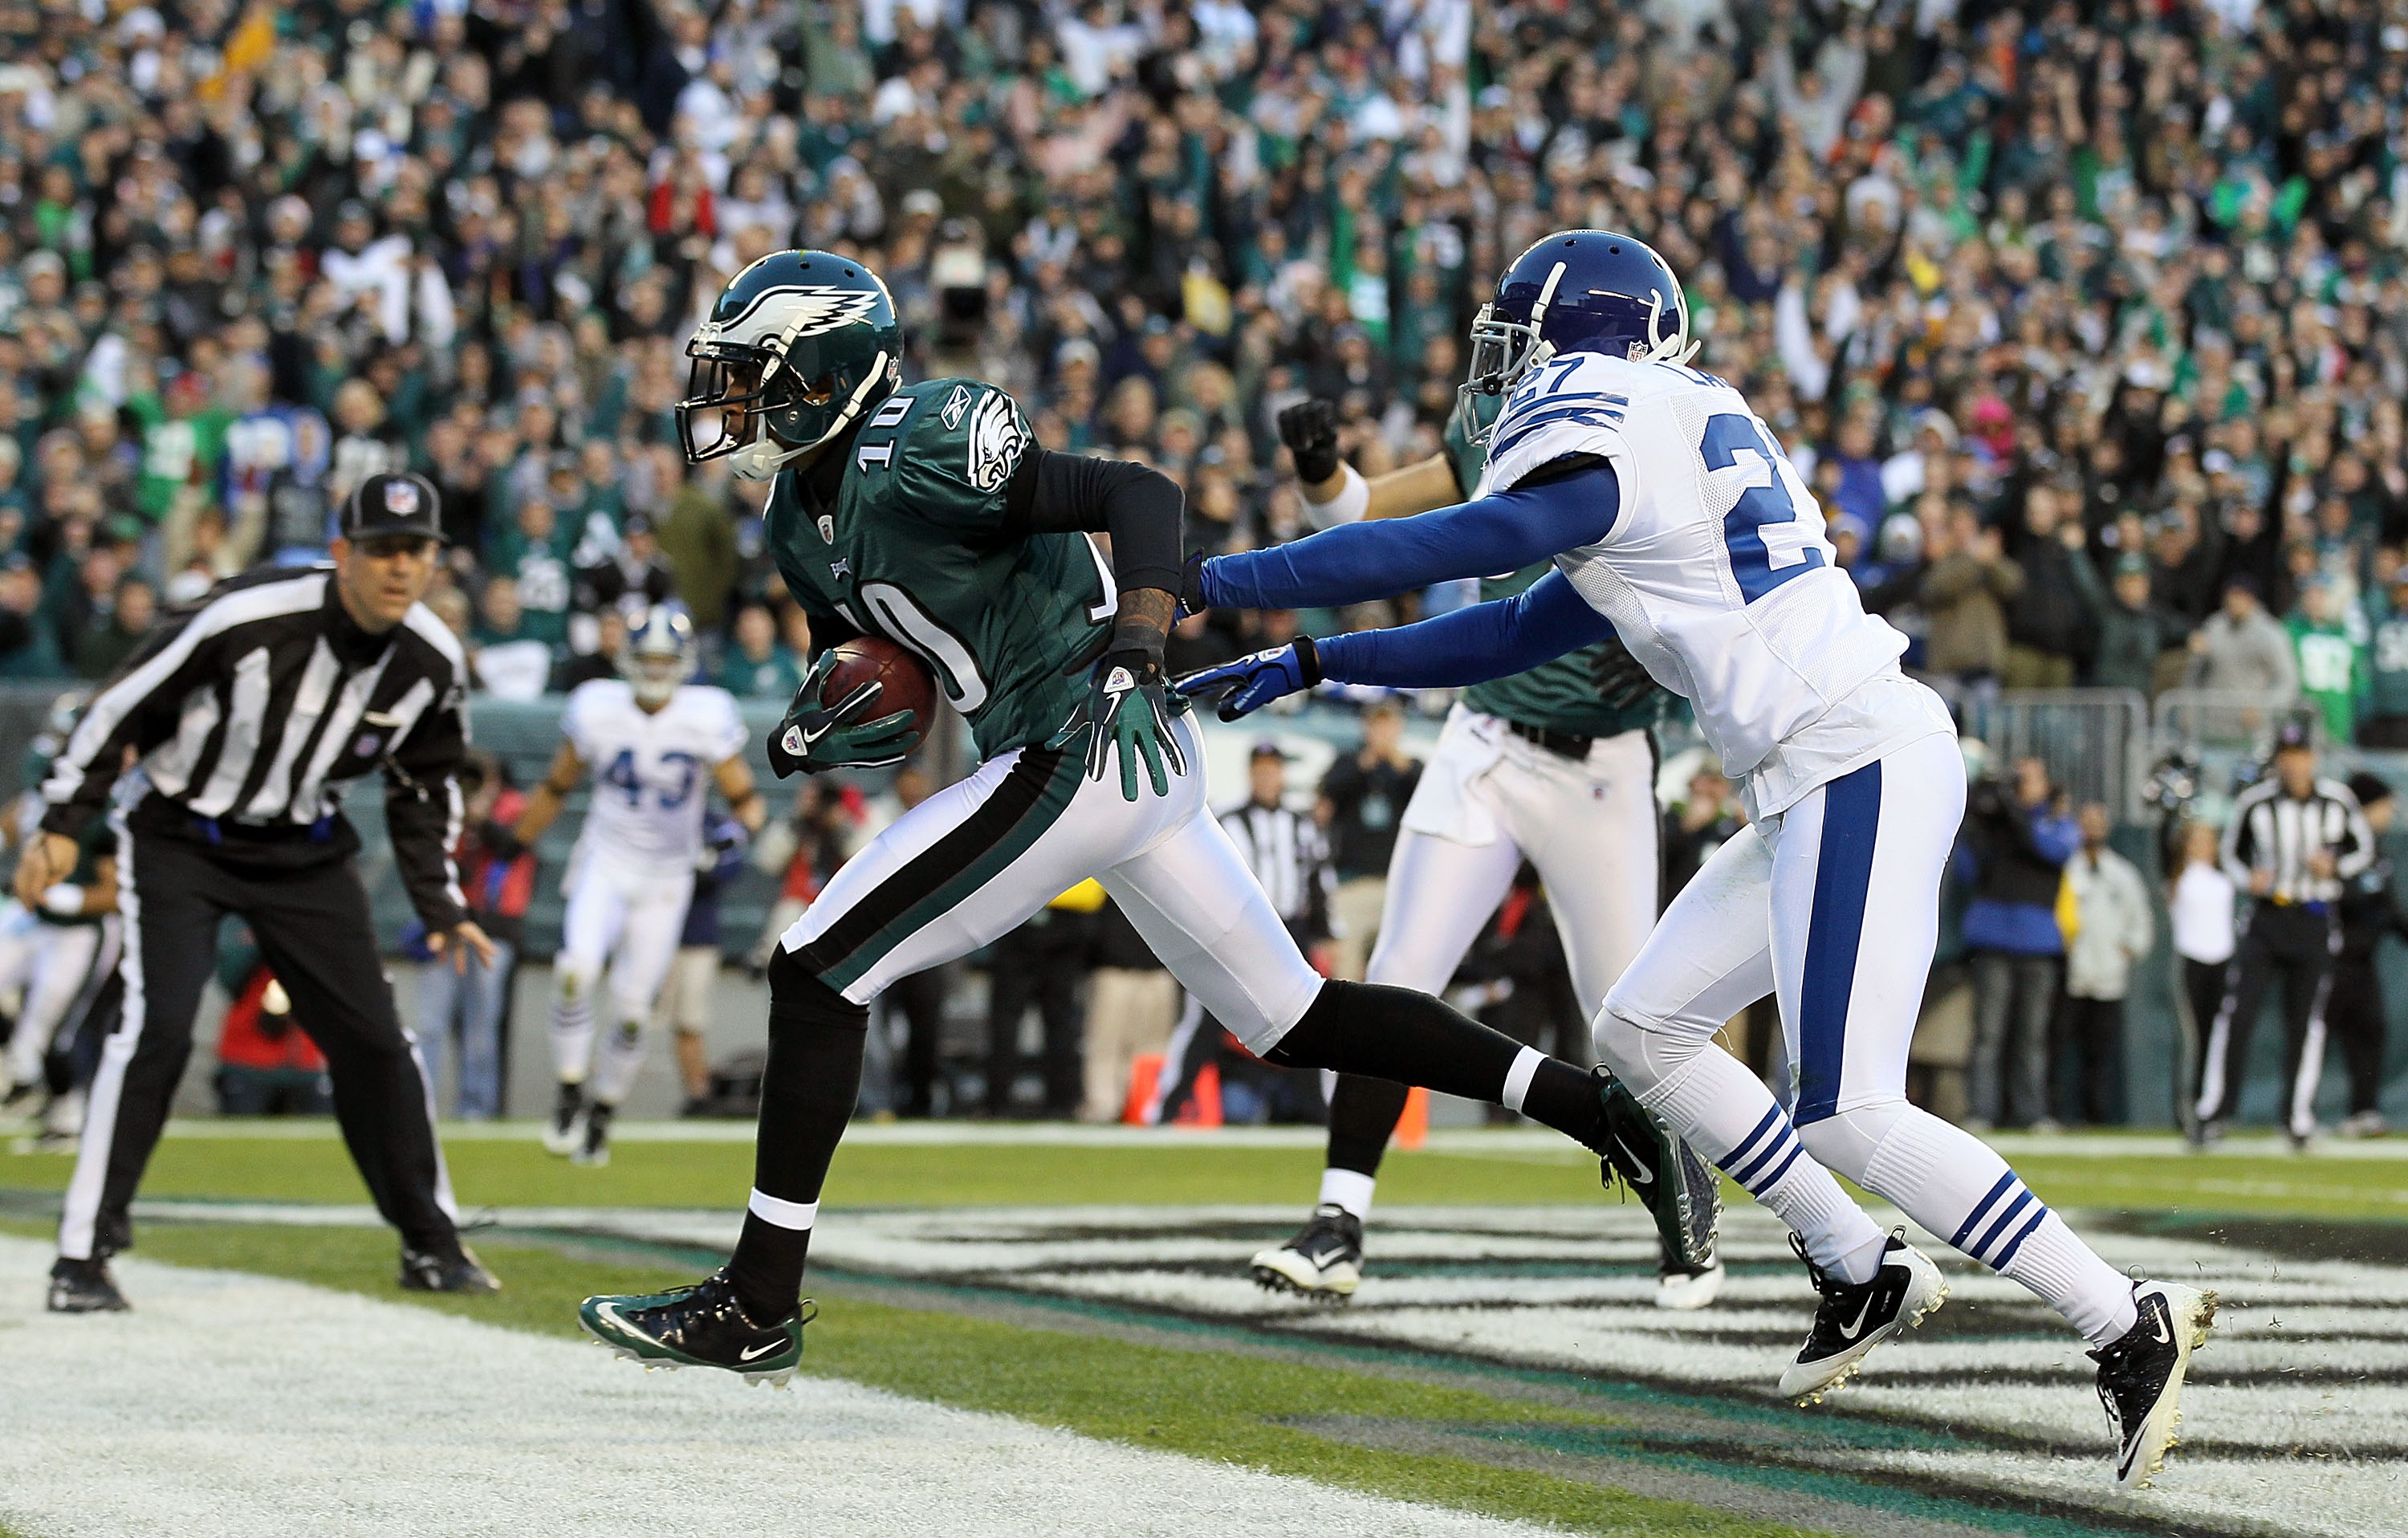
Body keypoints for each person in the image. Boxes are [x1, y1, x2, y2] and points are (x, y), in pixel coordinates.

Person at [1178, 230, 2213, 1488]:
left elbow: (1442, 548)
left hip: (1856, 759)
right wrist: (1312, 661)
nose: (1509, 364)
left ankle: (2121, 1320)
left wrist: (1219, 578)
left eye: (1527, 336)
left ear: (1588, 341)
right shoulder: (1666, 438)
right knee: (1645, 1028)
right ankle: (1856, 1265)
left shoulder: (1607, 425)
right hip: (1810, 776)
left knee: (1850, 1107)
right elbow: (1506, 630)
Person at [578, 250, 1702, 1385]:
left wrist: (1138, 641)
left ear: (820, 374)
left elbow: (1139, 494)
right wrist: (822, 715)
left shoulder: (917, 441)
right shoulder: (793, 522)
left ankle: (759, 1299)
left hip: (1087, 733)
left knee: (819, 969)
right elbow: (873, 661)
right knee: (1296, 1016)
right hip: (1097, 754)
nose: (723, 400)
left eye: (748, 373)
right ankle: (1596, 1108)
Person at [1250, 376, 1715, 1310]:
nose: (1508, 355)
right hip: (1488, 739)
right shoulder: (1506, 423)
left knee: (1629, 1018)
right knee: (1395, 979)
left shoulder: (1668, 453)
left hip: (1603, 763)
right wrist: (1319, 468)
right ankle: (1339, 1218)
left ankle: (1684, 1216)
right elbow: (1370, 511)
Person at [20, 470, 501, 1311]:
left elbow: (425, 787)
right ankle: (82, 1257)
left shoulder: (429, 660)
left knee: (378, 1042)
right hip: (180, 833)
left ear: (435, 560)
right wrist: (64, 819)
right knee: (157, 1027)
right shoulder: (245, 616)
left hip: (302, 851)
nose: (398, 569)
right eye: (382, 550)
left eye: (415, 551)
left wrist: (441, 901)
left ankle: (431, 1240)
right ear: (341, 553)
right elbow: (118, 705)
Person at [506, 606, 766, 1167]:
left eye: (663, 659)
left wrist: (729, 838)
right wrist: (518, 840)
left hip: (667, 877)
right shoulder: (598, 707)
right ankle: (570, 1087)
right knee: (575, 969)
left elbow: (748, 805)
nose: (654, 669)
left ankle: (603, 1108)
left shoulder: (705, 715)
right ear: (627, 660)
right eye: (645, 658)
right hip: (606, 859)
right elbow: (557, 783)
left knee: (630, 1008)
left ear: (684, 663)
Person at [2194, 718, 2373, 1149]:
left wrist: (2336, 868)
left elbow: (2363, 850)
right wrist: (2249, 879)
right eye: (2286, 757)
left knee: (2306, 1023)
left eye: (2300, 756)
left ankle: (2297, 1117)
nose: (2293, 765)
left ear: (2312, 758)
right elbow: (2231, 855)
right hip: (2267, 919)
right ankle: (2215, 1111)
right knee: (2237, 1015)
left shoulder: (2337, 801)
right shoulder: (2255, 803)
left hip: (2313, 918)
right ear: (2277, 761)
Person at [410, 751, 532, 1120]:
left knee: (481, 1028)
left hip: (493, 930)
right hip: (449, 926)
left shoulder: (514, 807)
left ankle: (476, 1110)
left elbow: (513, 848)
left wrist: (482, 817)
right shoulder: (448, 811)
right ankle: (421, 1107)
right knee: (430, 1024)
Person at [1961, 758, 2080, 1132]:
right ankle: (1982, 1110)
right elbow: (1966, 870)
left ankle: (2032, 1112)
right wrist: (1975, 822)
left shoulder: (2055, 821)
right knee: (1988, 1034)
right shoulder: (1995, 825)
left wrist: (2016, 815)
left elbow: (2054, 850)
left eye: (2031, 780)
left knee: (2032, 1035)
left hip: (2038, 942)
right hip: (1993, 938)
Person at [1312, 698, 1421, 983]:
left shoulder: (1410, 769)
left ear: (1399, 728)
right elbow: (1325, 800)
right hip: (1352, 884)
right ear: (1366, 728)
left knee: (1402, 970)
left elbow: (1430, 799)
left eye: (1389, 726)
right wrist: (1364, 764)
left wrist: (1401, 765)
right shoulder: (1348, 763)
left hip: (1397, 886)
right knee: (1345, 970)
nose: (1383, 733)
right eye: (1377, 726)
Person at [2059, 804, 2153, 1127]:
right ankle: (2057, 1113)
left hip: (2108, 975)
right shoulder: (2067, 869)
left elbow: (2140, 921)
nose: (2092, 830)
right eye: (2086, 823)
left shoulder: (2122, 873)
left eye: (2098, 823)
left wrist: (2126, 950)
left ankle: (2094, 1117)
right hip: (2071, 973)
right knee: (2060, 1046)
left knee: (2098, 1053)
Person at [659, 813, 751, 1115]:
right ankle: (697, 1089)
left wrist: (698, 868)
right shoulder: (662, 815)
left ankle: (700, 1091)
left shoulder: (714, 824)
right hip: (661, 935)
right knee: (670, 1021)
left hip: (697, 936)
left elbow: (730, 864)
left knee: (690, 1020)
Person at [2328, 771, 2403, 1138]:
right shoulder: (2341, 844)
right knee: (2312, 1036)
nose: (2391, 812)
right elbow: (2343, 896)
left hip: (2363, 961)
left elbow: (2390, 907)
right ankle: (2295, 1112)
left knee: (2371, 1031)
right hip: (2331, 958)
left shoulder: (2377, 851)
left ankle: (2364, 1110)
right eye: (2385, 804)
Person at [2166, 819, 2237, 1129]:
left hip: (2221, 961)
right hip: (2190, 960)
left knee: (2216, 1040)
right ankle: (2187, 1110)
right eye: (2195, 840)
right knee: (2191, 1040)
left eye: (2208, 839)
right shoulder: (2179, 879)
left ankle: (2211, 1107)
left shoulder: (2223, 879)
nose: (2202, 846)